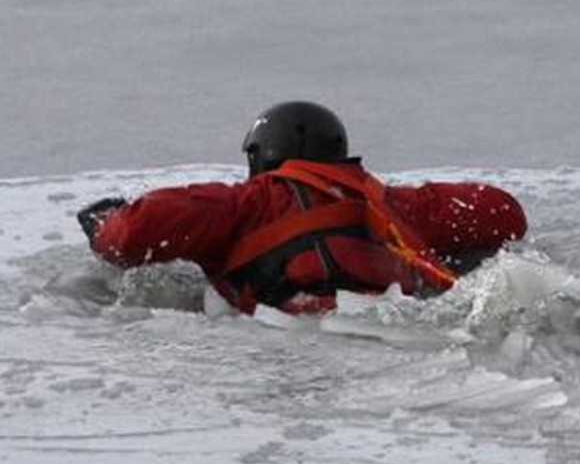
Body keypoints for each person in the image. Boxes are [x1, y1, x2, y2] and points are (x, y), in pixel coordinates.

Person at [77, 101, 527, 314]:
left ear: (262, 154)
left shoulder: (245, 202)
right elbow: (504, 213)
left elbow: (136, 232)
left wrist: (102, 223)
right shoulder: (389, 204)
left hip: (294, 332)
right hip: (396, 322)